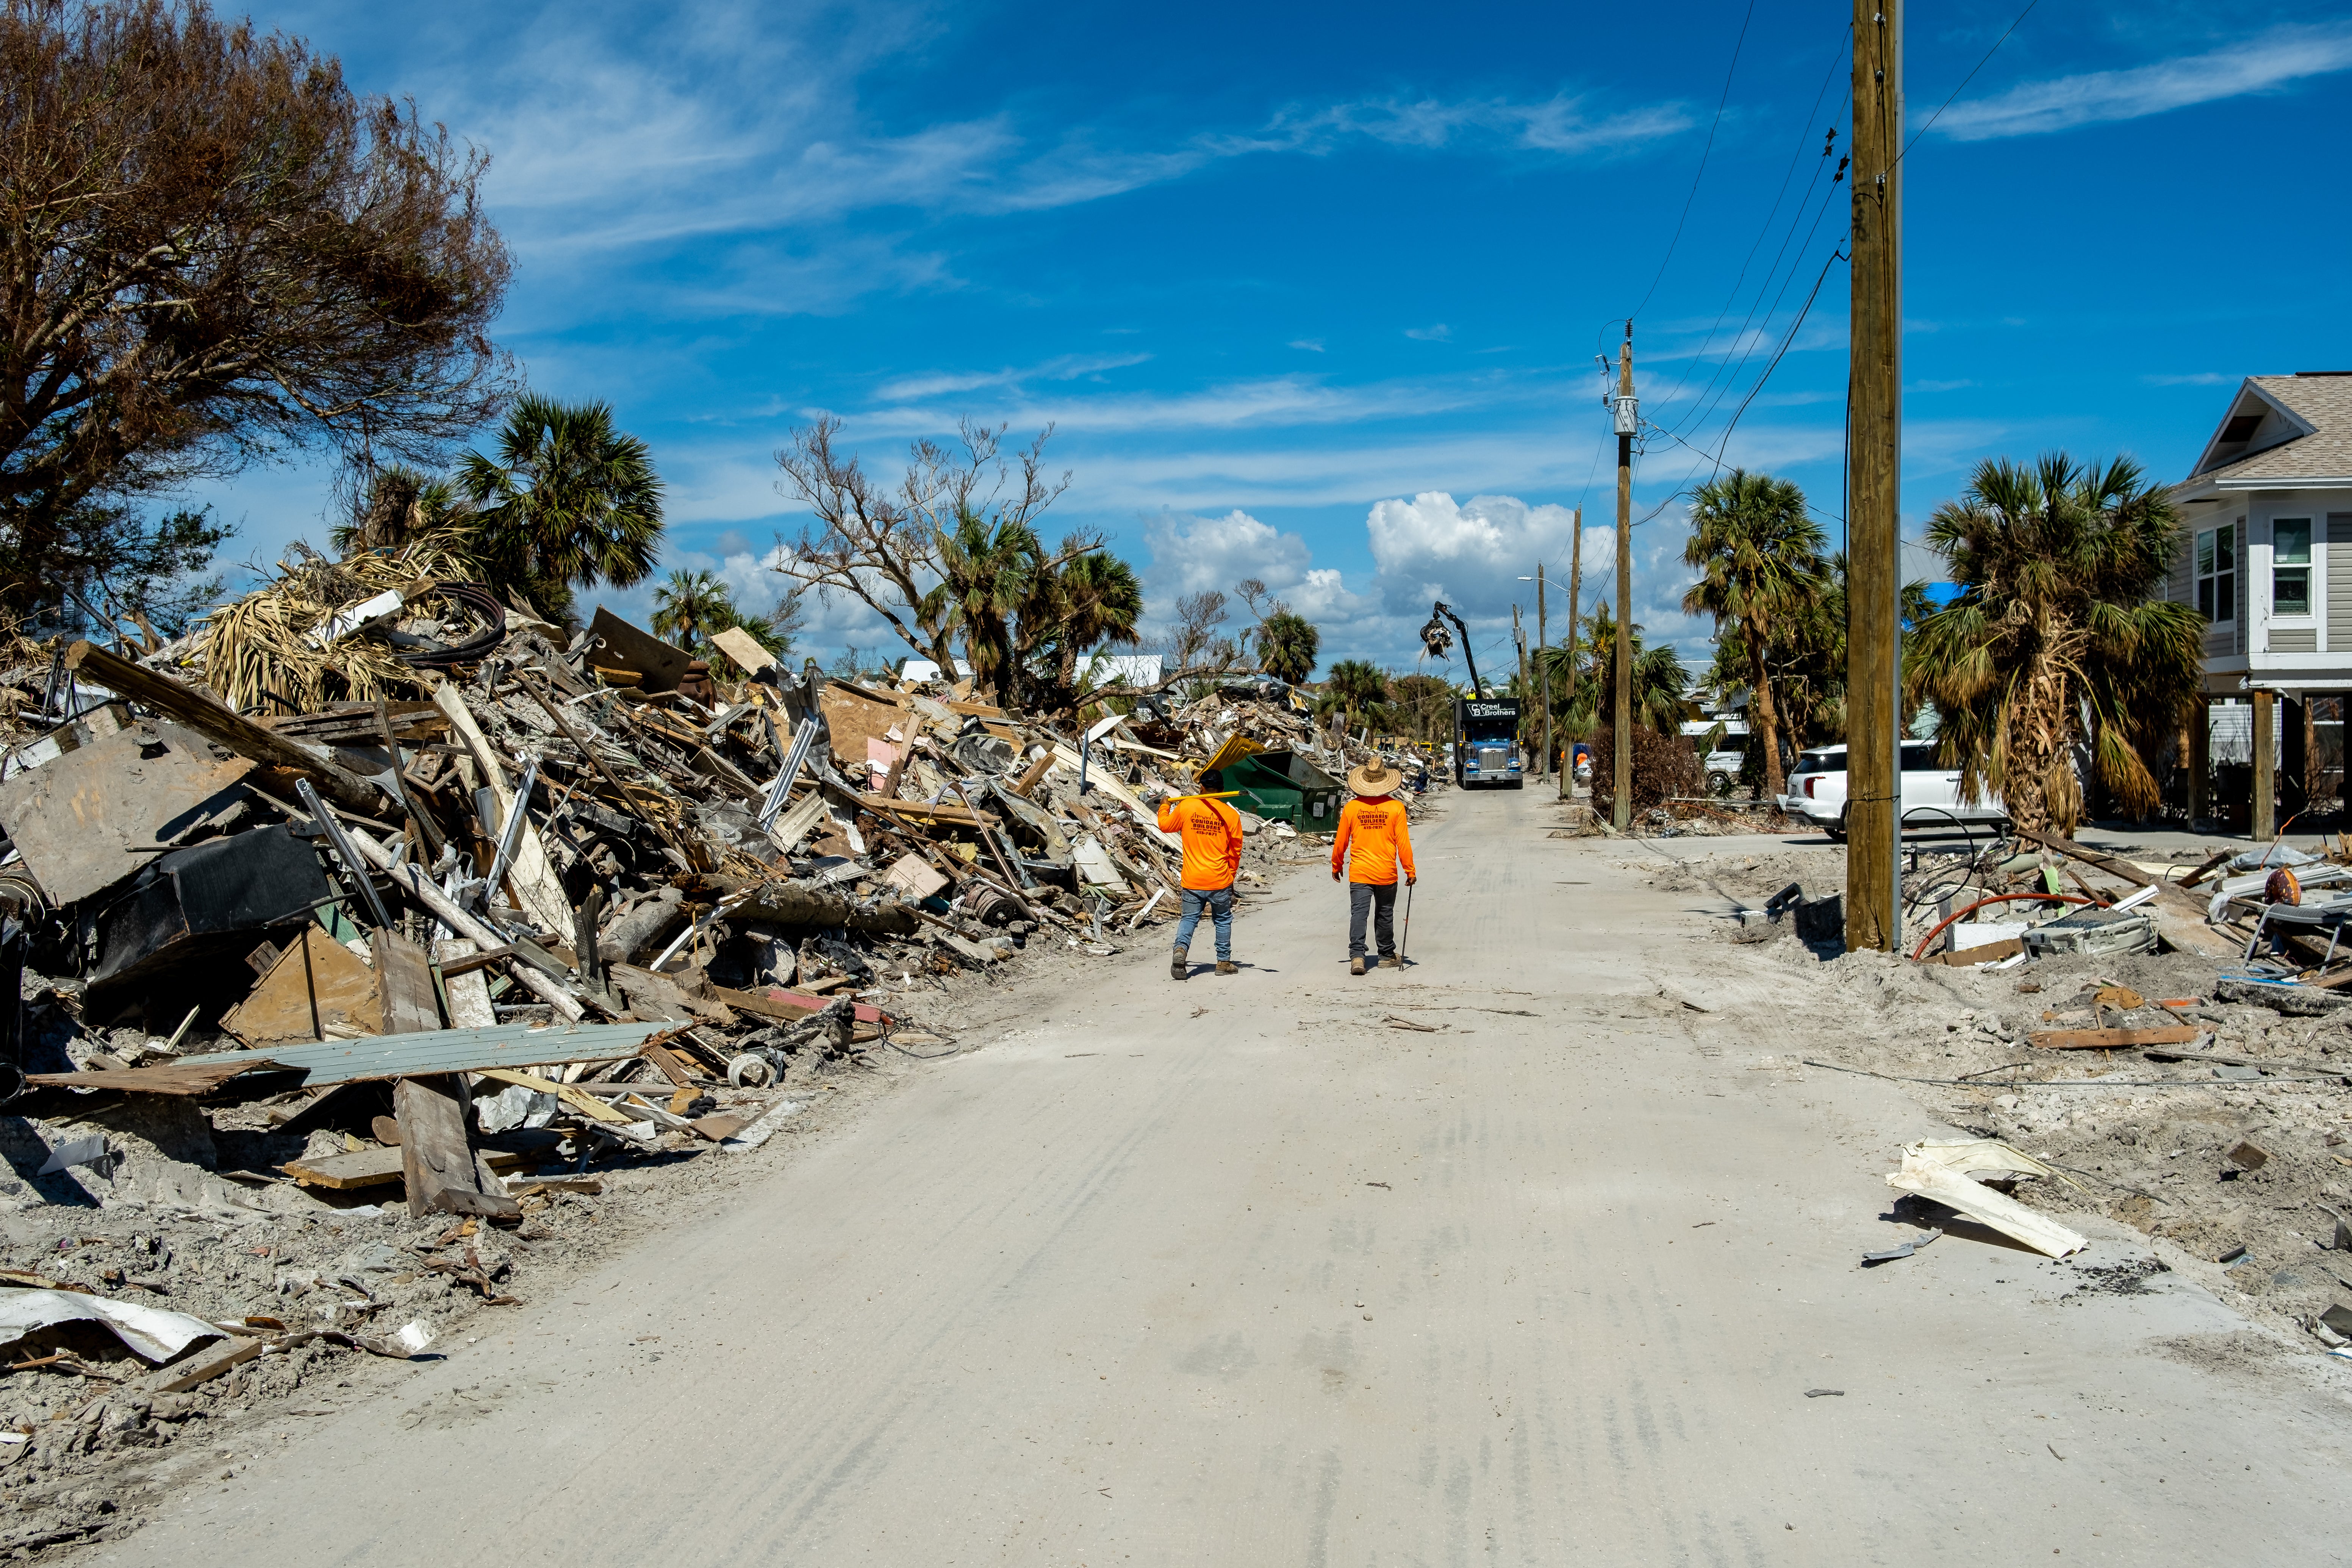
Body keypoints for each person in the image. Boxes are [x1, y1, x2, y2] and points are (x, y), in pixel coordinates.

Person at [1331, 758, 1416, 975]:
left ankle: (1358, 957)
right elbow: (1403, 843)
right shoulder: (1396, 808)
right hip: (1386, 873)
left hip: (1360, 872)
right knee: (1385, 914)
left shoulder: (1352, 808)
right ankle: (1387, 955)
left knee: (1359, 914)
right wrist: (1410, 870)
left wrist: (1337, 864)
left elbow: (1340, 840)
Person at [1156, 788, 1244, 979]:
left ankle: (1180, 950)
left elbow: (1164, 825)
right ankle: (1223, 962)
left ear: (1202, 788)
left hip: (1193, 879)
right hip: (1219, 880)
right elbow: (1235, 850)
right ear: (1222, 790)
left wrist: (1165, 806)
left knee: (1189, 919)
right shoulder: (1230, 815)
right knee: (1222, 920)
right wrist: (1231, 875)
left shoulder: (1187, 806)